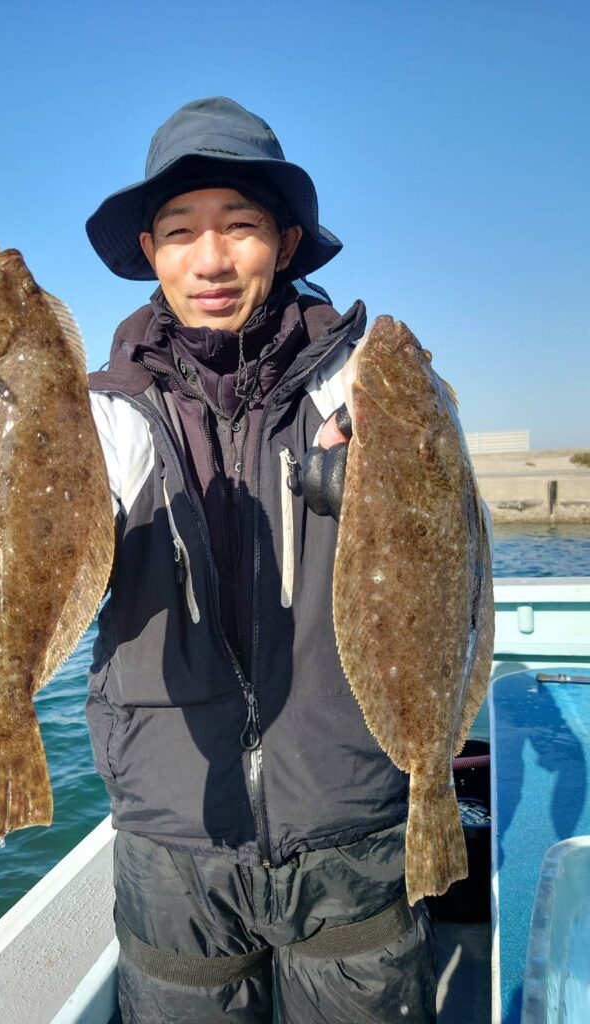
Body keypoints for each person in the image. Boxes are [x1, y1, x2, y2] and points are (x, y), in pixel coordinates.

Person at [84, 97, 436, 1023]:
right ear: (150, 252)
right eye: (179, 233)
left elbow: (451, 562)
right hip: (174, 831)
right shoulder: (102, 415)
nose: (210, 260)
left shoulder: (366, 380)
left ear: (285, 243)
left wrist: (389, 481)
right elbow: (54, 548)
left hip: (350, 816)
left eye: (239, 227)